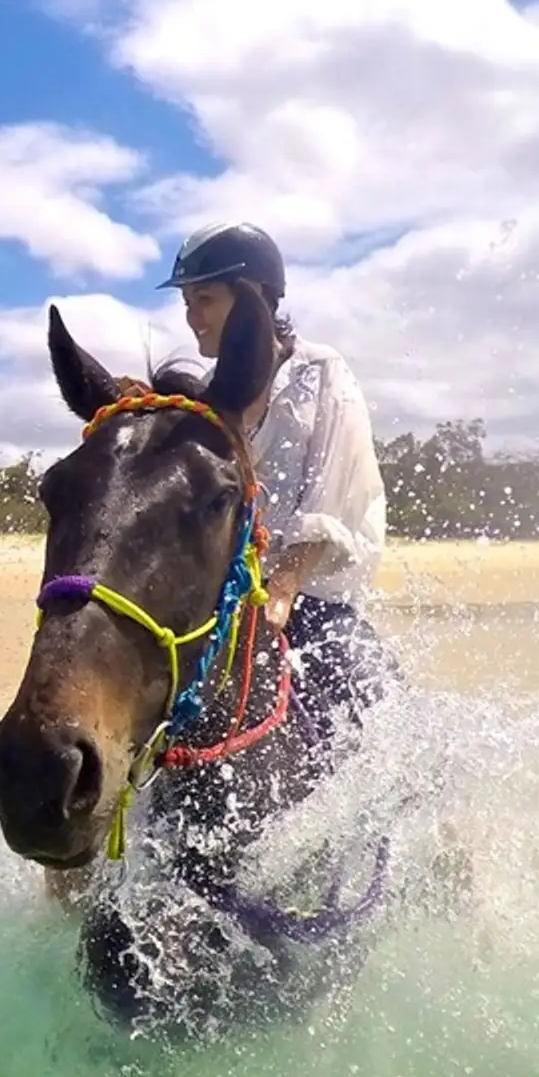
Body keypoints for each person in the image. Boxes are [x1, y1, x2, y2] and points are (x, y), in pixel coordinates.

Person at [159, 220, 398, 753]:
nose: (192, 317)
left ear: (255, 299)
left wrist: (284, 587)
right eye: (187, 303)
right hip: (221, 606)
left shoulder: (321, 371)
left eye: (206, 299)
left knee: (367, 694)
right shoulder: (203, 397)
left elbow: (332, 490)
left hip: (311, 600)